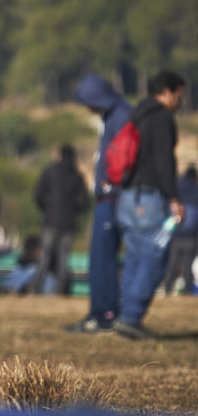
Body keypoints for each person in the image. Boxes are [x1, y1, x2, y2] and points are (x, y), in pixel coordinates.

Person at [114, 70, 186, 339]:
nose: (180, 102)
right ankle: (131, 317)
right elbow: (164, 161)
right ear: (167, 92)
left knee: (134, 257)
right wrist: (174, 198)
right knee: (155, 257)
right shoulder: (161, 118)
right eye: (179, 95)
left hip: (127, 197)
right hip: (149, 197)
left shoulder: (136, 114)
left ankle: (125, 314)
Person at [66, 73, 132, 333]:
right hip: (108, 194)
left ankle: (104, 313)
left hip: (113, 195)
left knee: (103, 258)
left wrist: (110, 184)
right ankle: (102, 309)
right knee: (99, 257)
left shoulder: (122, 115)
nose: (86, 107)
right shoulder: (113, 115)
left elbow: (124, 155)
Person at [30, 144, 90, 295]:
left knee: (45, 256)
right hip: (68, 223)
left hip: (50, 221)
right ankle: (60, 290)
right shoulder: (76, 175)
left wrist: (45, 210)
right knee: (63, 258)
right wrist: (75, 212)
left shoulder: (50, 171)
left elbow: (37, 194)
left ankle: (35, 287)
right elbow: (85, 201)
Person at [162, 164, 198, 296]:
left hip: (176, 234)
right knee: (188, 266)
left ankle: (167, 290)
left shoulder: (176, 190)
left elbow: (168, 210)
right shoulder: (196, 191)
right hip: (191, 237)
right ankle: (187, 293)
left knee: (172, 264)